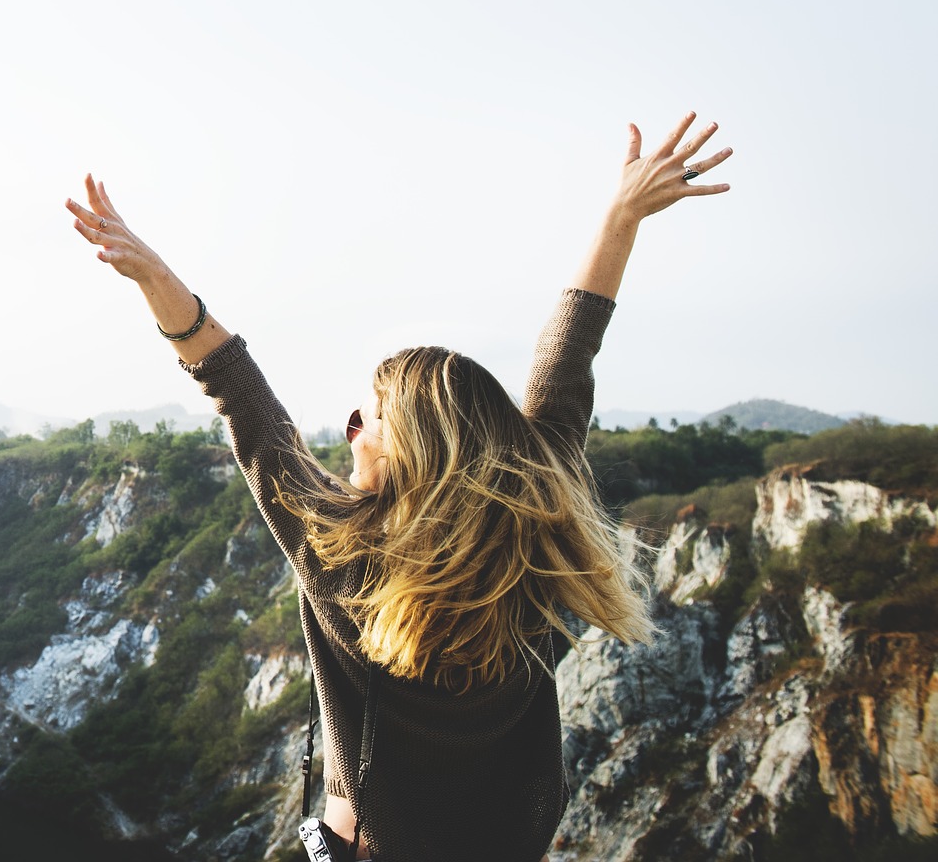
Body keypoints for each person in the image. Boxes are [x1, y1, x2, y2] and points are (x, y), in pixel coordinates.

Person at [64, 113, 733, 862]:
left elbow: (240, 396)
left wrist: (155, 278)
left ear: (412, 446)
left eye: (366, 417)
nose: (350, 428)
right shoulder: (536, 530)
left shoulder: (341, 557)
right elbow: (569, 348)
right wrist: (621, 215)